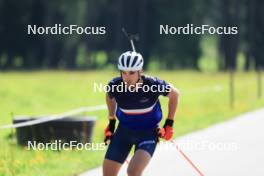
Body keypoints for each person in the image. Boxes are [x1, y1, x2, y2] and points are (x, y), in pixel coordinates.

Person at [103, 51, 180, 176]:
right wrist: (111, 121)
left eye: (132, 72)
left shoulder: (153, 84)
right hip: (124, 132)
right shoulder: (115, 85)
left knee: (133, 171)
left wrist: (169, 123)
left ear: (140, 71)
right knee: (108, 173)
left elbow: (175, 94)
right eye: (124, 72)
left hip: (148, 133)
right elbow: (109, 97)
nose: (127, 77)